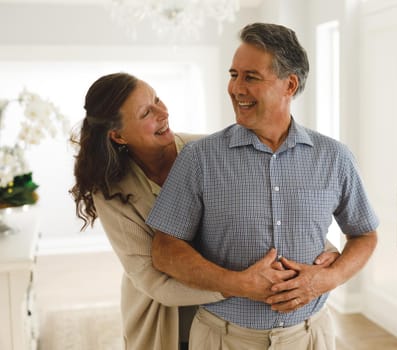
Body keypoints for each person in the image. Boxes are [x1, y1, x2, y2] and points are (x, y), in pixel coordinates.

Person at [147, 22, 379, 350]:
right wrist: (237, 284)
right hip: (223, 339)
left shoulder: (335, 157)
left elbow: (365, 234)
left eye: (250, 77)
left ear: (290, 84)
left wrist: (327, 278)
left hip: (311, 337)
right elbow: (164, 250)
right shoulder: (198, 159)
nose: (236, 88)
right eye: (233, 74)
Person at [69, 72, 339, 350]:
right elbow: (154, 282)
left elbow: (269, 203)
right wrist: (241, 284)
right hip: (170, 322)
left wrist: (322, 249)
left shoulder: (206, 152)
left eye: (158, 100)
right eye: (146, 112)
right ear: (118, 135)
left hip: (233, 319)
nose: (163, 112)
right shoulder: (111, 192)